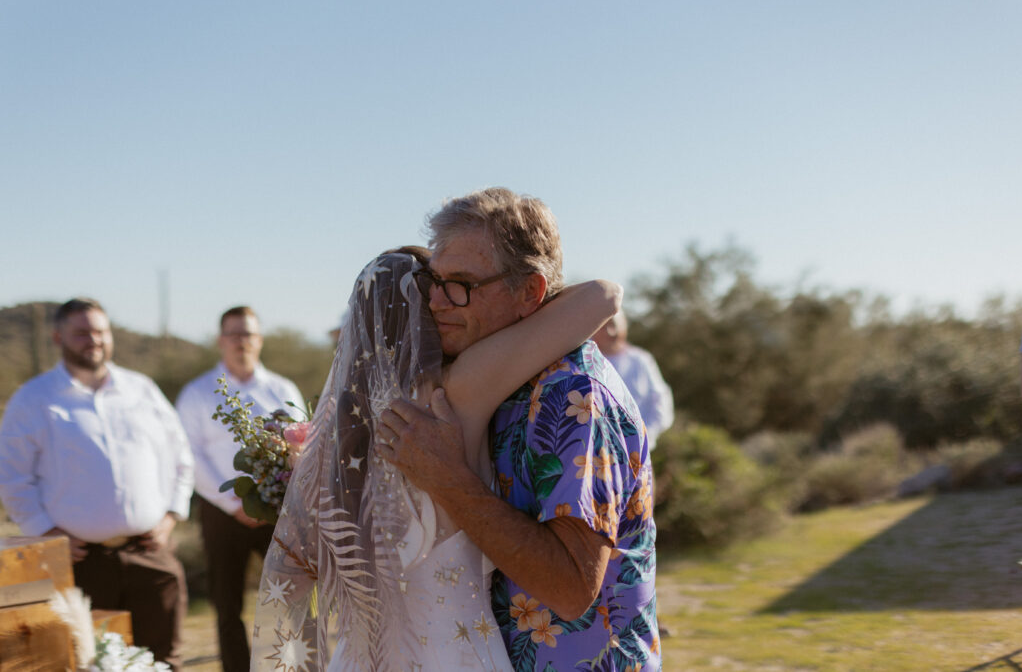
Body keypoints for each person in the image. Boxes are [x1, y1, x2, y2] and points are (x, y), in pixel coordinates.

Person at [250, 245, 620, 671]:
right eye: (444, 290)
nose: (451, 301)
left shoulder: (336, 436)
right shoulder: (455, 392)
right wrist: (517, 290)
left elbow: (292, 573)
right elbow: (604, 296)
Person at [378, 188, 660, 670]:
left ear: (530, 292)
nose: (437, 302)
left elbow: (571, 590)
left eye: (461, 284)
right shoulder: (500, 382)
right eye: (434, 281)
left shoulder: (574, 396)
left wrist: (446, 478)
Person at [0, 298, 193, 670]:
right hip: (79, 563)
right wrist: (46, 532)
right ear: (58, 337)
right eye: (82, 332)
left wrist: (171, 516)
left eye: (101, 331)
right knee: (87, 663)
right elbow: (12, 475)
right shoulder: (34, 398)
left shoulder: (142, 390)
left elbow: (181, 456)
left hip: (150, 554)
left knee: (165, 661)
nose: (94, 340)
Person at [175, 306, 303, 672]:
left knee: (293, 597)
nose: (241, 342)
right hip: (221, 512)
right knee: (227, 605)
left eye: (247, 334)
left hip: (278, 511)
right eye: (233, 334)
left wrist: (277, 498)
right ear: (221, 341)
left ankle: (297, 665)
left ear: (259, 340)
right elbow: (187, 453)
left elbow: (301, 445)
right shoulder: (197, 393)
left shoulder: (282, 389)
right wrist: (231, 502)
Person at [593, 310, 675, 446]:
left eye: (614, 325)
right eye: (603, 326)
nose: (610, 332)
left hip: (638, 447)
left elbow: (660, 400)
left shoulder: (641, 360)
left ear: (624, 326)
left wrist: (645, 435)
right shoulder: (585, 362)